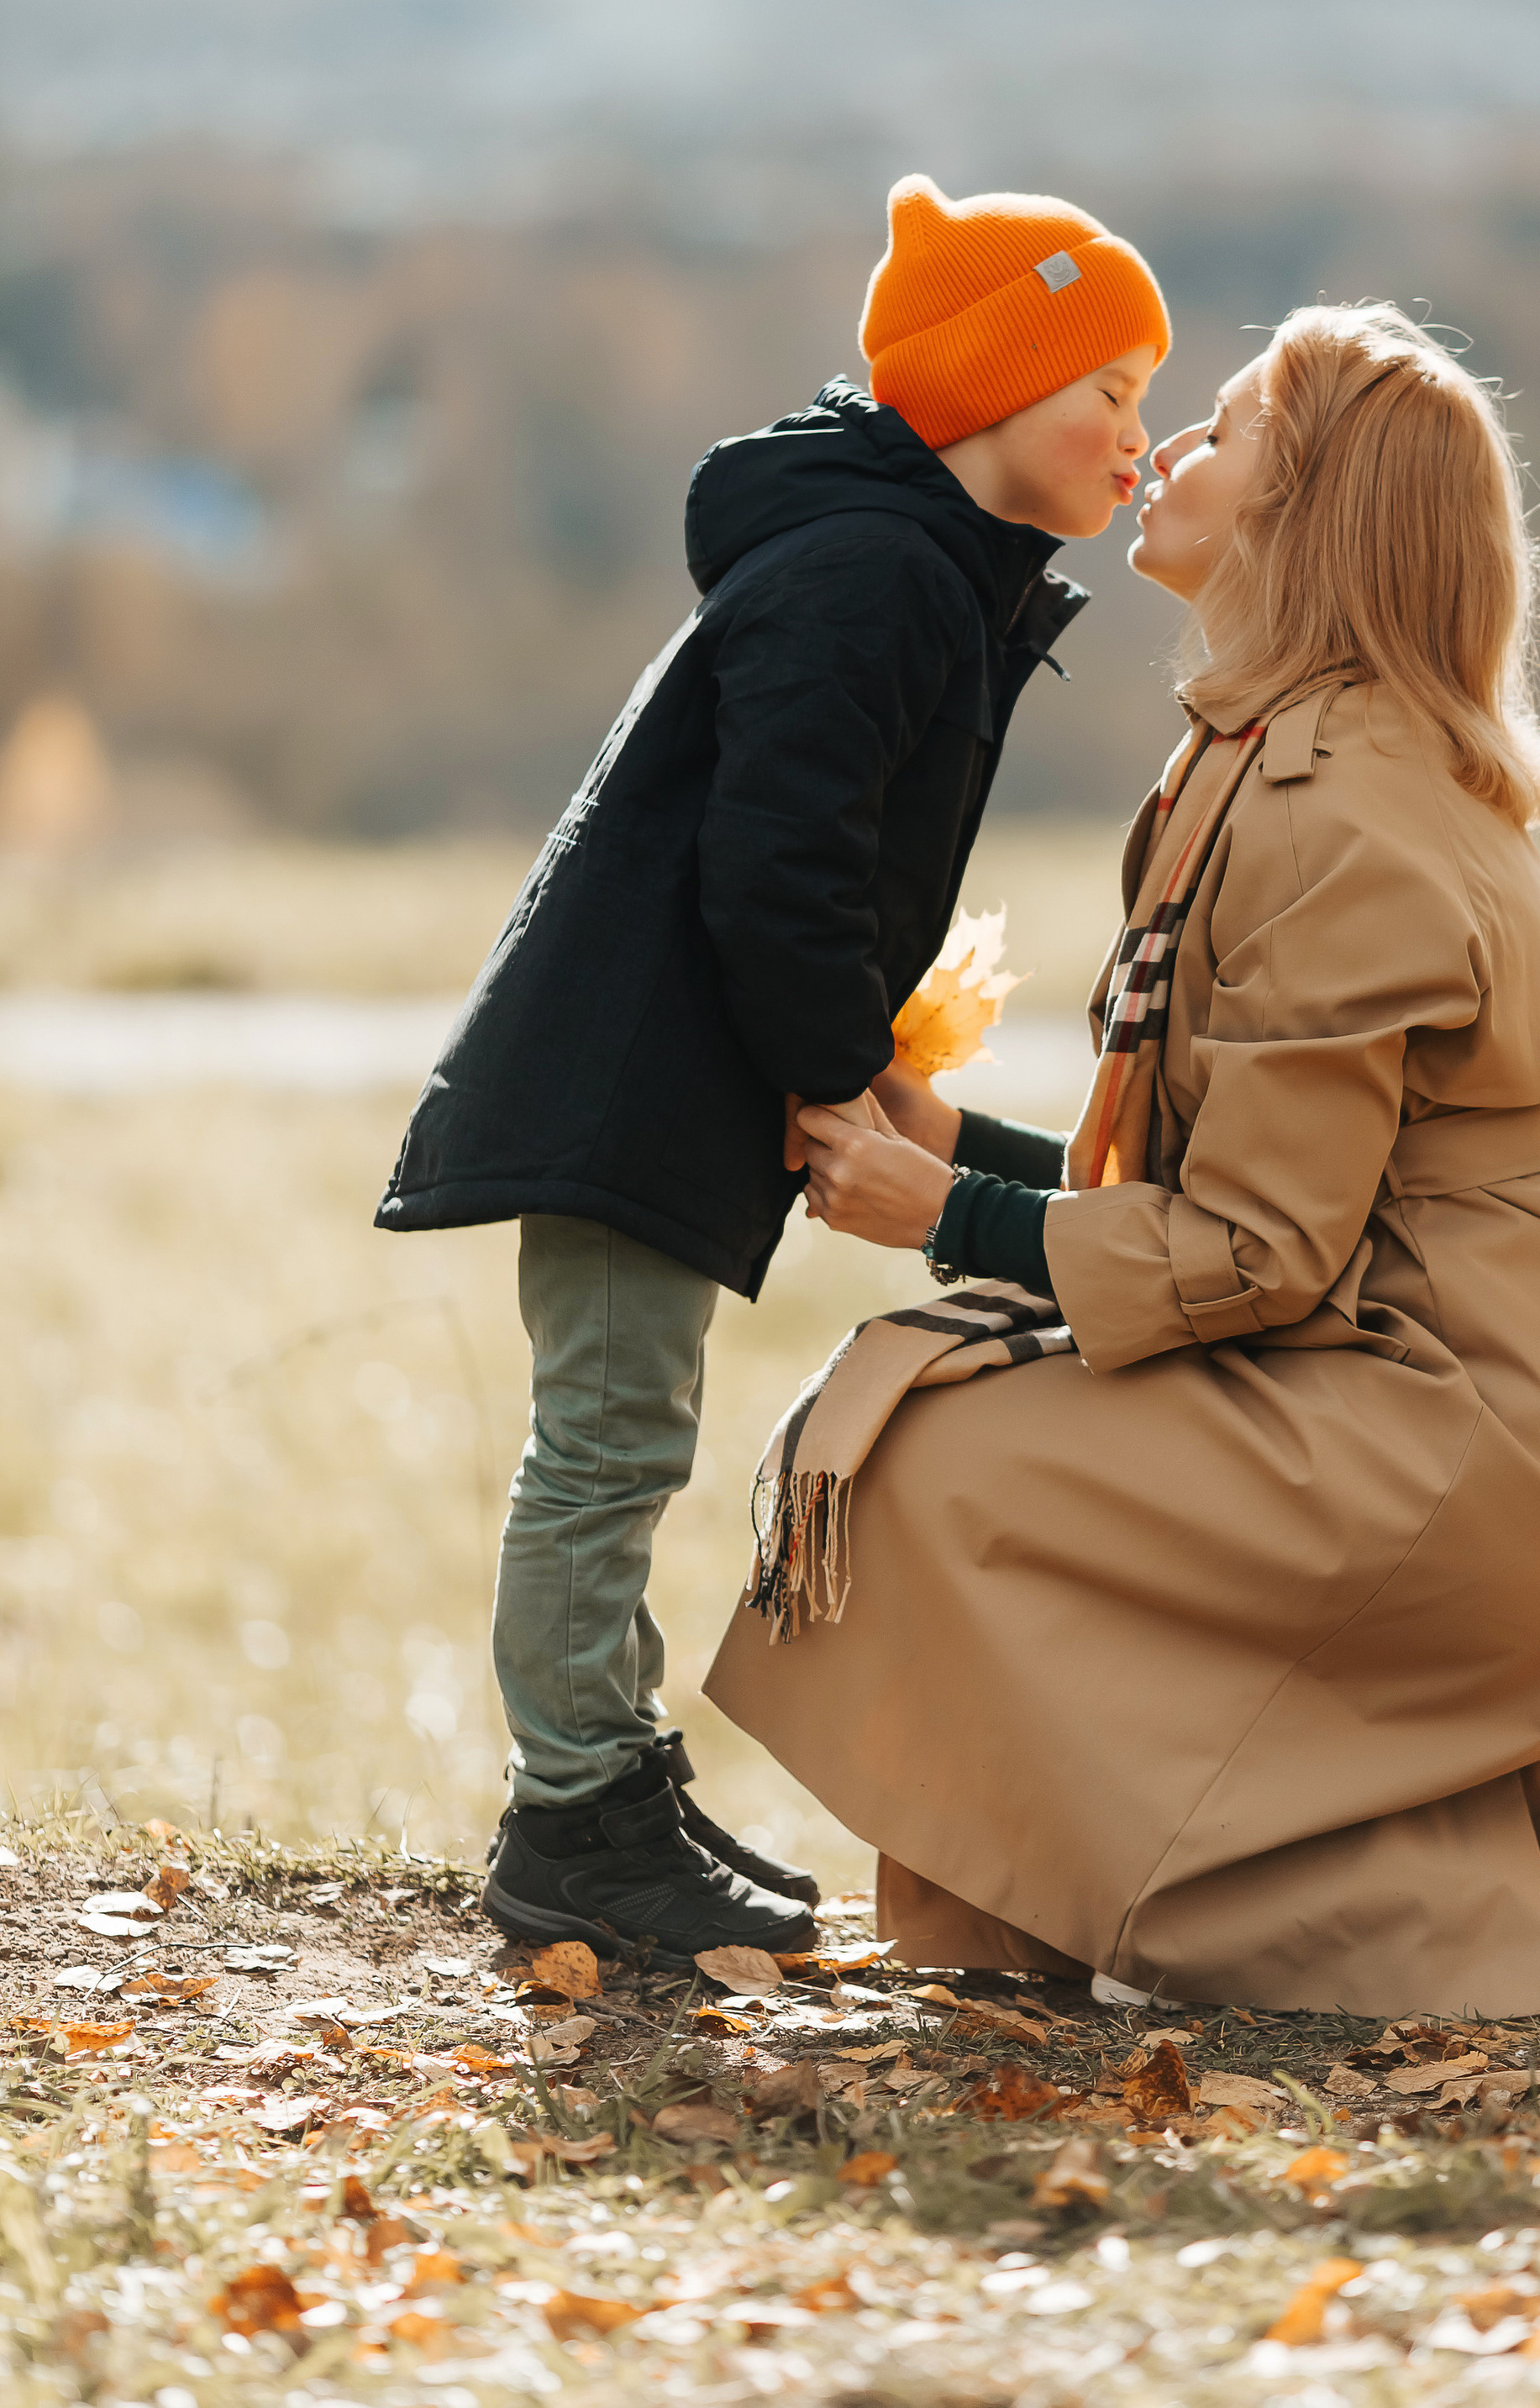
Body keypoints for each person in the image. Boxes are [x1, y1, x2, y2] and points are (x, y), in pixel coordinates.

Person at [708, 300, 1540, 2014]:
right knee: (953, 1426)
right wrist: (952, 1144)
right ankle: (1232, 1875)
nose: (1170, 451)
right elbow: (1250, 1191)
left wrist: (950, 1214)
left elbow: (1263, 1251)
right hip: (1432, 1359)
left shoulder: (1335, 804)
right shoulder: (1290, 752)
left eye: (1225, 429)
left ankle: (1495, 1873)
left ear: (1308, 511)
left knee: (942, 1466)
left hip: (1469, 1414)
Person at [375, 175, 1170, 1961]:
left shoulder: (915, 567)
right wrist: (835, 1075)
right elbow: (777, 866)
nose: (1139, 435)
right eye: (1108, 391)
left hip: (673, 1071)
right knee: (604, 1445)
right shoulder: (875, 573)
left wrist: (857, 1062)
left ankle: (611, 1777)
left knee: (628, 1433)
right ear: (987, 396)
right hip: (633, 1081)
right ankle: (573, 1817)